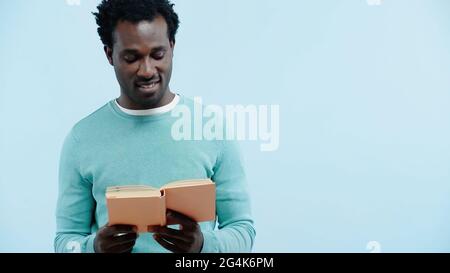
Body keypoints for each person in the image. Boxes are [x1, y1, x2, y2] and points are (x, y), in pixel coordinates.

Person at [54, 0, 255, 253]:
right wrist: (93, 248)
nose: (147, 70)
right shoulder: (81, 139)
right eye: (132, 58)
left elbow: (242, 229)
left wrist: (204, 245)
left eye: (158, 55)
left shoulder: (211, 128)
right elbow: (65, 241)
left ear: (172, 47)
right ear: (109, 54)